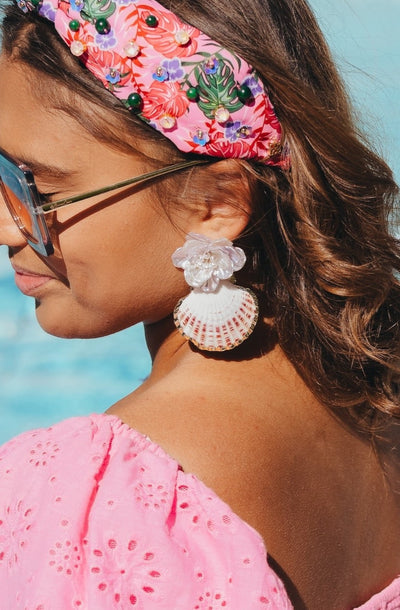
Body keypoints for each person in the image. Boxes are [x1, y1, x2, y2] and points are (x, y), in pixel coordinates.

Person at [0, 0, 399, 607]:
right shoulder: (381, 409)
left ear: (216, 205)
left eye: (38, 188)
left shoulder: (96, 490)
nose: (8, 227)